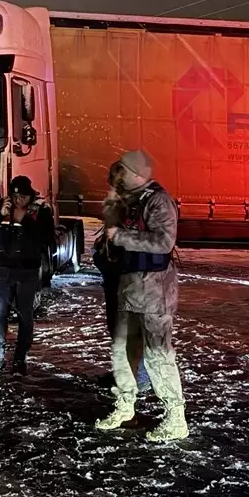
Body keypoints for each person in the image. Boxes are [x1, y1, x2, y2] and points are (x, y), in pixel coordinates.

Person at [95, 151, 189, 442]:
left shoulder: (158, 200)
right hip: (129, 286)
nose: (117, 178)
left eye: (122, 172)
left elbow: (163, 242)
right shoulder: (130, 199)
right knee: (123, 350)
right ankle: (124, 406)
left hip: (154, 289)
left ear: (136, 173)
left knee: (158, 354)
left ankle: (175, 417)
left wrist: (120, 236)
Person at [0, 176, 55, 377]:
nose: (18, 200)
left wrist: (24, 219)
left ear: (30, 195)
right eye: (15, 195)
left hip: (27, 271)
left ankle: (20, 358)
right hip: (3, 270)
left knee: (25, 315)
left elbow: (46, 238)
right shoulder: (5, 205)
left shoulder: (41, 210)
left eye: (23, 196)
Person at [93, 162, 150, 392]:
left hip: (132, 284)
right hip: (117, 282)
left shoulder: (138, 210)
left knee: (132, 333)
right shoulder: (122, 208)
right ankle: (124, 374)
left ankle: (138, 379)